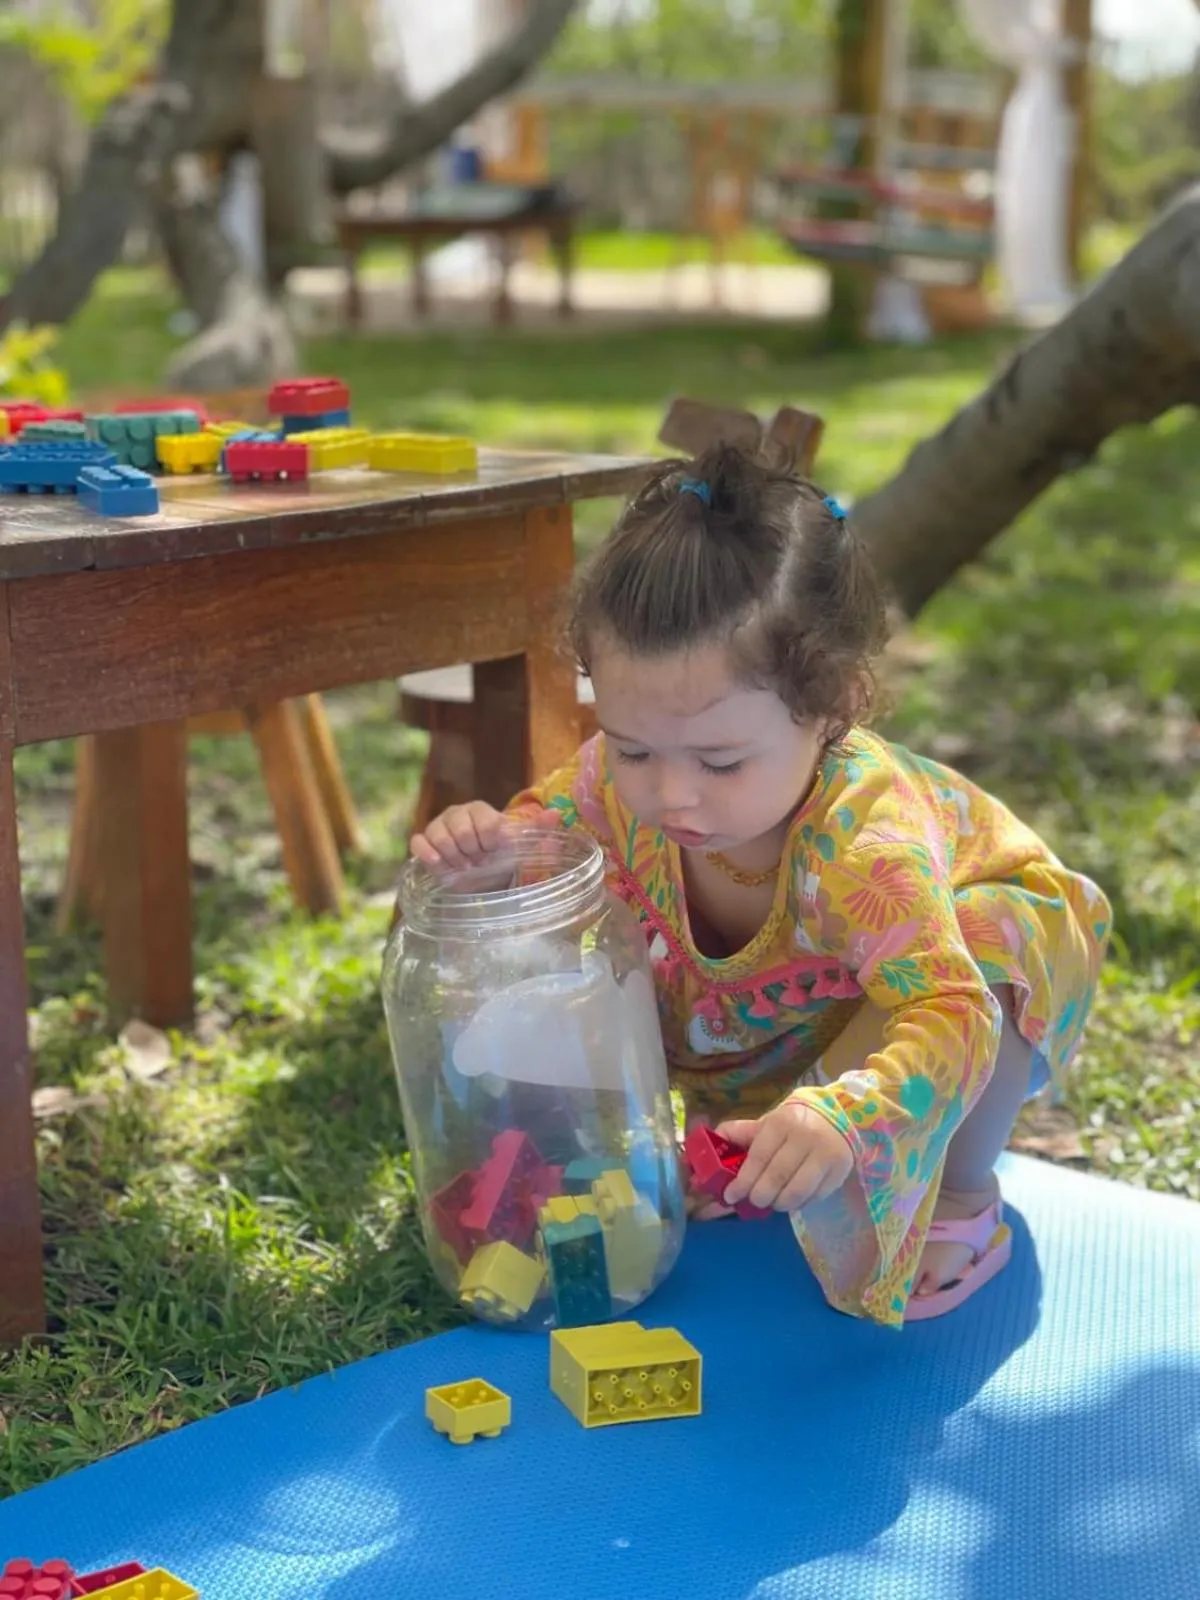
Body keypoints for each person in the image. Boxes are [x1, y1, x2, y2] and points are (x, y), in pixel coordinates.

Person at [409, 443, 1111, 1327]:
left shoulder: (867, 845)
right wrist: (492, 852)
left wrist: (848, 1116)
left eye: (720, 760)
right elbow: (545, 838)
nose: (671, 794)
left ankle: (963, 1200)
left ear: (829, 709)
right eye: (632, 748)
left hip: (957, 993)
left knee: (993, 941)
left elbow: (950, 1010)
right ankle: (754, 1135)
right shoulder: (614, 787)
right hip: (793, 1012)